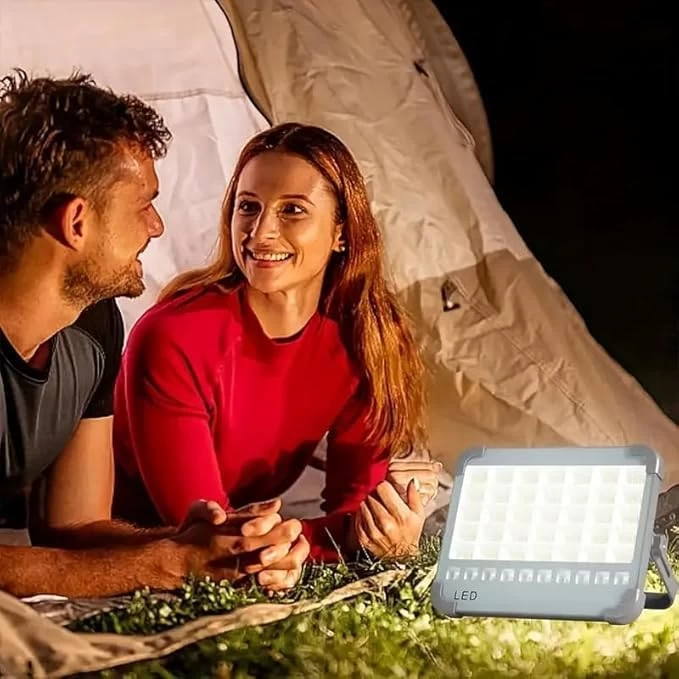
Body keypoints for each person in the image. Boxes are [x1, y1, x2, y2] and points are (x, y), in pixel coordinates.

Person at [0, 71, 305, 599]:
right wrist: (167, 565)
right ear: (77, 223)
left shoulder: (92, 323)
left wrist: (211, 547)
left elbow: (74, 527)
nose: (157, 225)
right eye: (143, 204)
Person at [112, 122, 442, 591]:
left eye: (292, 210)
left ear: (341, 233)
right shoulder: (174, 336)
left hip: (247, 538)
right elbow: (208, 537)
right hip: (134, 544)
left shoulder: (367, 337)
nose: (261, 232)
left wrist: (387, 527)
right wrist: (344, 538)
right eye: (248, 207)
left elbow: (358, 511)